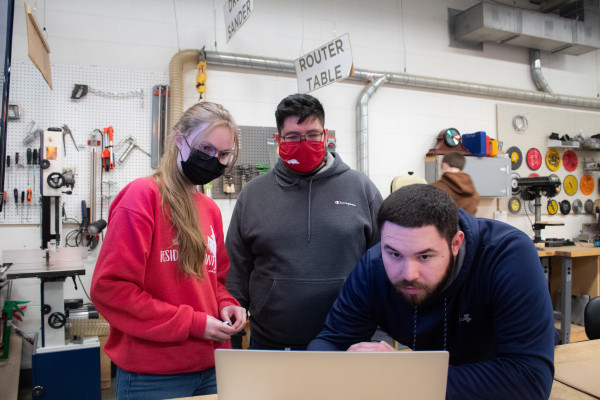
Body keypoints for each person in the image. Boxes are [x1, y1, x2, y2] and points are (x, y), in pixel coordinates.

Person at [308, 184, 555, 400]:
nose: (408, 273)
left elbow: (530, 380)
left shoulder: (506, 255)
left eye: (424, 256)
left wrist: (403, 373)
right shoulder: (373, 267)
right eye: (394, 253)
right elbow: (331, 341)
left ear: (455, 243)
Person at [91, 102, 247, 400]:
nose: (215, 160)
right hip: (154, 375)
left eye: (224, 154)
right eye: (206, 149)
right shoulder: (142, 197)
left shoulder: (210, 209)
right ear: (179, 140)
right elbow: (110, 289)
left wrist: (226, 303)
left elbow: (213, 281)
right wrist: (193, 323)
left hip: (214, 367)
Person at [225, 93, 383, 350]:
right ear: (278, 139)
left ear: (326, 134)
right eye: (292, 136)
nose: (304, 142)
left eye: (312, 134)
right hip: (272, 345)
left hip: (350, 343)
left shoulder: (361, 189)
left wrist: (381, 336)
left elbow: (384, 266)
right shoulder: (253, 195)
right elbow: (236, 272)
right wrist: (230, 337)